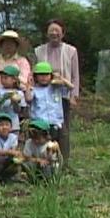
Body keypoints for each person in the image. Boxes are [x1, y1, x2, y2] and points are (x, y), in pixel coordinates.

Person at [34, 19, 80, 164]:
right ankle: (46, 159)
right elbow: (34, 73)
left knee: (63, 129)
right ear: (47, 33)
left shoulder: (71, 51)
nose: (54, 33)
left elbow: (75, 75)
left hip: (63, 94)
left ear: (63, 33)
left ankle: (63, 161)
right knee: (45, 128)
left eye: (57, 30)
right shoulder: (39, 50)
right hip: (43, 93)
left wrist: (74, 96)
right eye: (51, 30)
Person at [24, 61, 73, 145]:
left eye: (46, 75)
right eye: (41, 75)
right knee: (41, 145)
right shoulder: (34, 89)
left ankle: (62, 157)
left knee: (58, 143)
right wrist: (29, 85)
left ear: (51, 76)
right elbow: (28, 99)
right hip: (39, 123)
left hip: (55, 122)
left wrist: (61, 78)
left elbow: (71, 87)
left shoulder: (56, 87)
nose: (44, 77)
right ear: (35, 77)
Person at [0, 30, 31, 94]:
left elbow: (24, 80)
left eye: (11, 43)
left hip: (16, 96)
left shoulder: (23, 61)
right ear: (1, 45)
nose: (8, 46)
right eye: (6, 43)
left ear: (16, 46)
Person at [0, 65, 27, 136]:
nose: (3, 80)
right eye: (1, 78)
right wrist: (3, 99)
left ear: (14, 79)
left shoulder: (19, 93)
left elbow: (18, 111)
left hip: (13, 125)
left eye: (6, 78)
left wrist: (14, 103)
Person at [0, 113, 22, 182]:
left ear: (11, 127)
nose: (4, 127)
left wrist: (15, 153)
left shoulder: (13, 137)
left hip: (7, 158)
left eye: (7, 125)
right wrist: (10, 152)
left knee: (16, 161)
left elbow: (13, 149)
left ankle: (11, 177)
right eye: (1, 125)